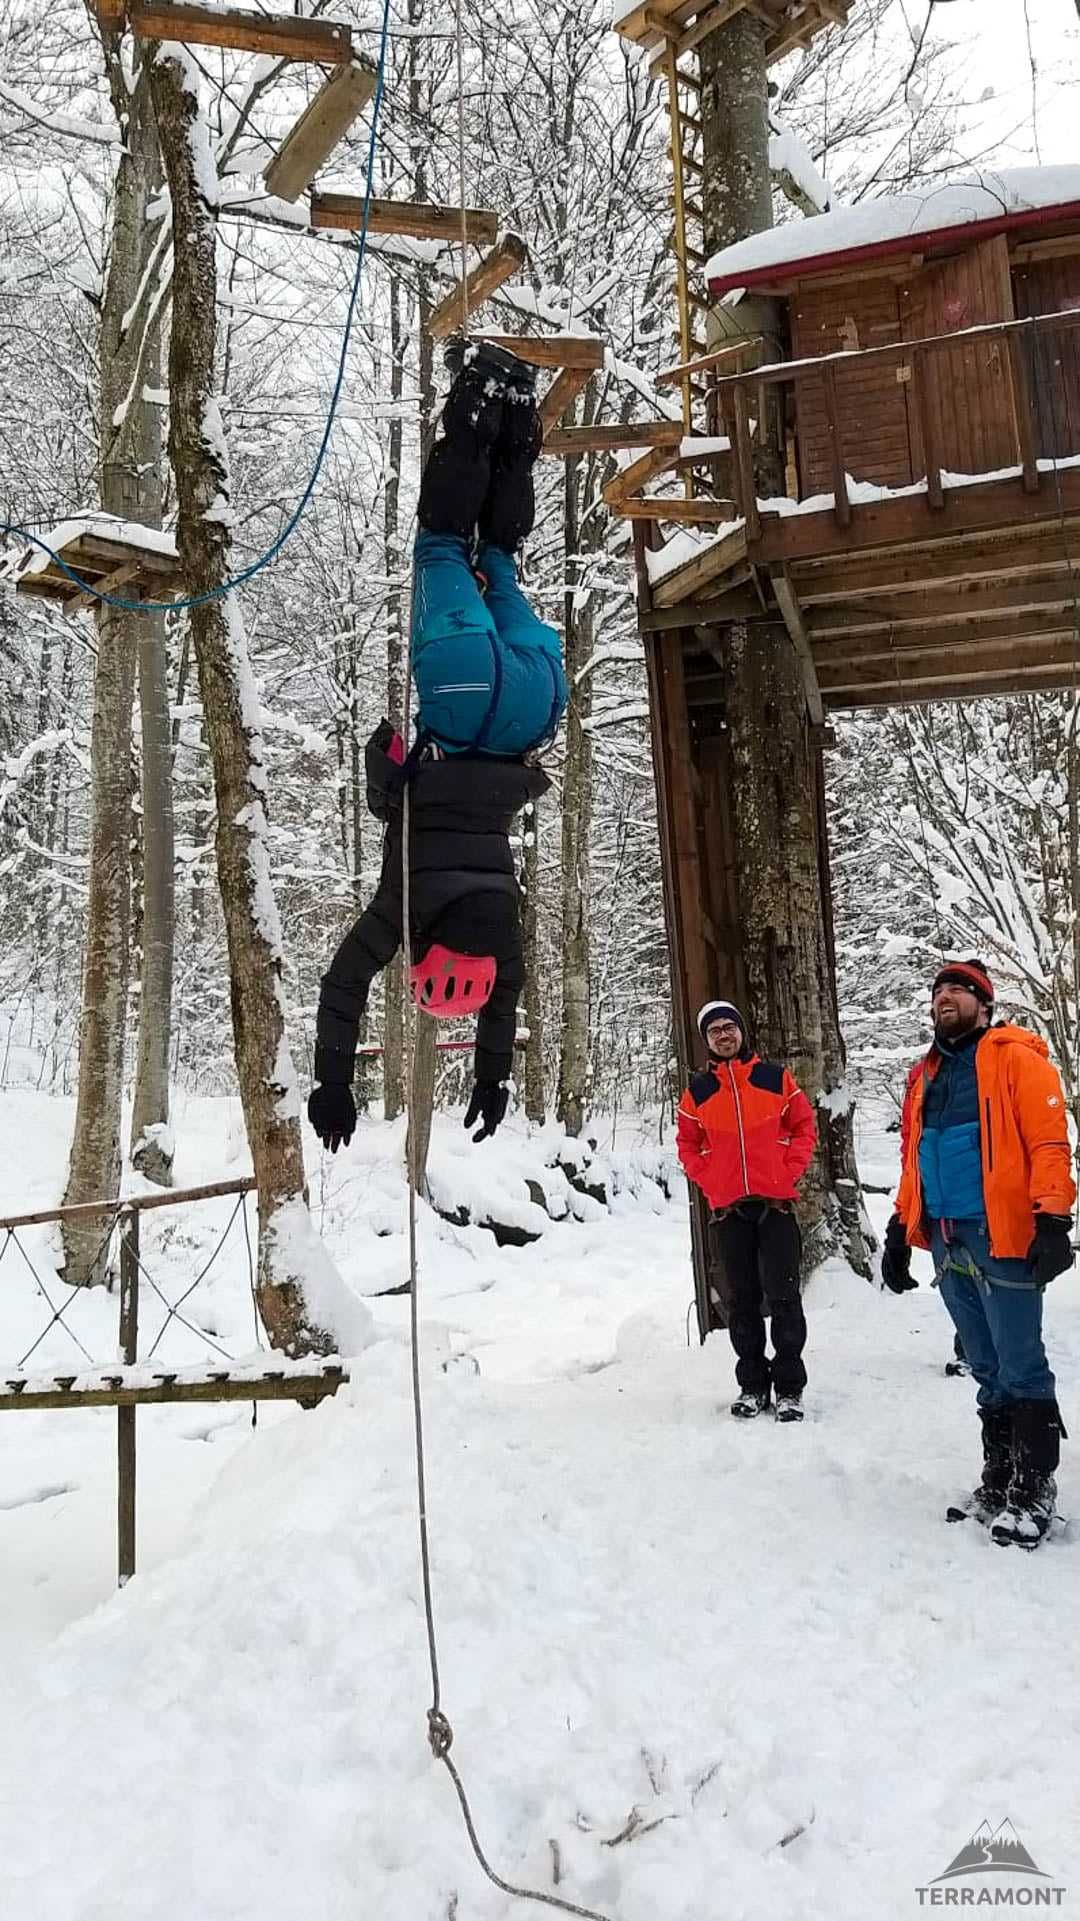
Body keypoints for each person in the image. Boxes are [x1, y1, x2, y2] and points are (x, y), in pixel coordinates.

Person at [308, 342, 567, 1156]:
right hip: (459, 696)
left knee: (496, 556)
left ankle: (516, 412)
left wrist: (495, 1077)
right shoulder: (406, 912)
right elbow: (344, 985)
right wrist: (333, 1083)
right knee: (442, 542)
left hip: (533, 706)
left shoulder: (505, 944)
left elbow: (505, 1001)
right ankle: (480, 389)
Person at [881, 958, 1074, 1548]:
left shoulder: (1015, 1057)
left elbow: (1047, 1141)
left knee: (1020, 1361)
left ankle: (1035, 1485)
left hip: (1003, 1232)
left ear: (983, 1004)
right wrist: (899, 1225)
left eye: (959, 990)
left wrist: (1054, 1218)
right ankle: (998, 1477)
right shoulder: (925, 1075)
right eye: (939, 990)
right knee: (985, 1365)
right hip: (946, 1235)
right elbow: (915, 1156)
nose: (946, 997)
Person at [677, 999, 817, 1422]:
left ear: (741, 1032)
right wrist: (711, 1179)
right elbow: (687, 1144)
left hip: (775, 1206)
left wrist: (787, 1170)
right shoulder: (698, 1092)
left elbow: (803, 1126)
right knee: (742, 1302)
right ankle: (753, 1386)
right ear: (707, 1040)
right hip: (730, 1211)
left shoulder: (775, 1079)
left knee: (785, 1298)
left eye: (729, 1027)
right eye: (715, 1030)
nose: (724, 1034)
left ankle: (790, 1388)